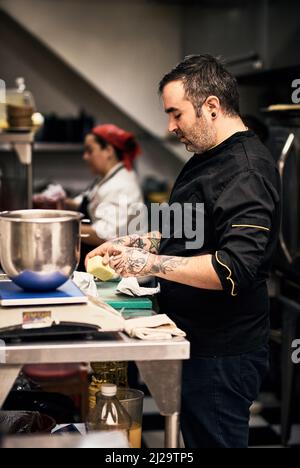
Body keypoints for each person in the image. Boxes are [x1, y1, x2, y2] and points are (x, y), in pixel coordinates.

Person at [85, 55, 281, 448]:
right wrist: (130, 243)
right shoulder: (208, 157)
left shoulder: (246, 170)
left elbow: (234, 268)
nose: (170, 126)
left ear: (211, 106)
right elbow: (185, 230)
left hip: (222, 354)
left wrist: (150, 263)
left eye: (176, 114)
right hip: (193, 337)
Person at [65, 124, 144, 270]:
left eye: (90, 151)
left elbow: (104, 234)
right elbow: (87, 201)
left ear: (108, 150)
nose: (85, 156)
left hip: (126, 275)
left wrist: (63, 227)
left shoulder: (121, 185)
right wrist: (61, 202)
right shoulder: (105, 178)